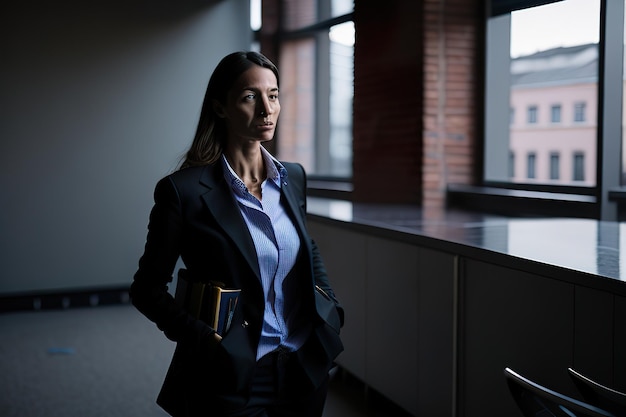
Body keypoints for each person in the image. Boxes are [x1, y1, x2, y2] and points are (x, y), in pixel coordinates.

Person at [130, 51, 344, 417]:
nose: (267, 109)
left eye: (273, 95)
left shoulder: (293, 177)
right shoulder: (184, 192)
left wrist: (332, 309)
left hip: (302, 366)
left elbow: (304, 245)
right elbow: (146, 290)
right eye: (250, 97)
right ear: (221, 107)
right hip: (231, 376)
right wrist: (207, 341)